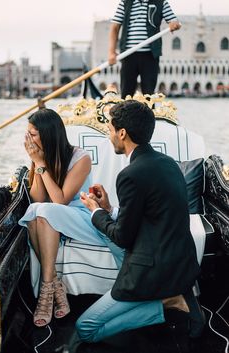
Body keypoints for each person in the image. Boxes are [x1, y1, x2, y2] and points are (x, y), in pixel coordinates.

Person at [73, 100, 200, 344]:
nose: (109, 136)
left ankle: (169, 304)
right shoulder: (168, 164)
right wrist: (108, 208)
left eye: (110, 130)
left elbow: (123, 237)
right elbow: (153, 215)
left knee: (85, 328)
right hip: (179, 263)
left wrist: (94, 211)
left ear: (122, 133)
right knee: (102, 229)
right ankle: (168, 297)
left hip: (152, 271)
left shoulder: (130, 175)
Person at [18, 108, 111, 327]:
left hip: (83, 215)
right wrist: (38, 163)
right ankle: (55, 287)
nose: (28, 139)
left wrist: (41, 165)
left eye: (32, 134)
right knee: (35, 214)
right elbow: (37, 199)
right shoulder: (40, 157)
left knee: (45, 211)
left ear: (48, 134)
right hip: (52, 216)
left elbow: (60, 201)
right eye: (27, 133)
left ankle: (45, 288)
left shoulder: (81, 158)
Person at [108, 0, 181, 98]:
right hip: (128, 55)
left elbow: (174, 22)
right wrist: (111, 52)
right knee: (126, 93)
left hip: (150, 55)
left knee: (149, 95)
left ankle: (149, 112)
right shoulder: (125, 3)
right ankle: (125, 113)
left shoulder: (160, 2)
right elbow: (115, 27)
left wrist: (174, 24)